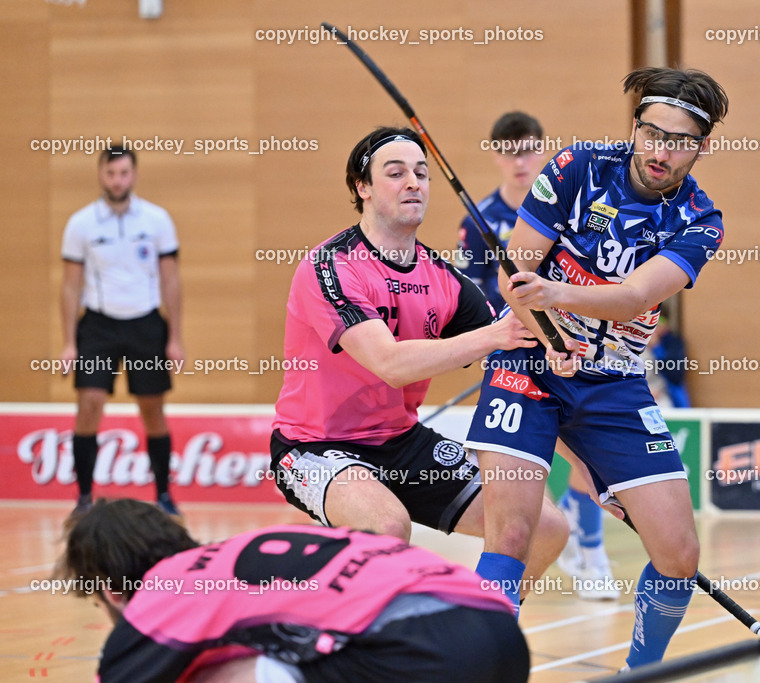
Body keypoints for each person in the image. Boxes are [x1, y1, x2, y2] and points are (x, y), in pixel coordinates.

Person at [463, 66, 728, 669]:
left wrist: (558, 299)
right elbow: (517, 271)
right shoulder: (575, 167)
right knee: (510, 535)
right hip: (529, 363)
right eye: (653, 133)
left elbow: (637, 296)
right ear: (635, 127)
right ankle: (474, 667)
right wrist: (544, 330)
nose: (661, 151)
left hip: (615, 382)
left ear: (702, 146)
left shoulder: (700, 221)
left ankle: (639, 671)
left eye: (680, 141)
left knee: (679, 552)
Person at [269, 127, 568, 612]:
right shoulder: (331, 266)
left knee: (546, 528)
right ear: (362, 188)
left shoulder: (442, 277)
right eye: (396, 172)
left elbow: (521, 352)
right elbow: (389, 363)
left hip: (401, 442)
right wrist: (494, 335)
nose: (414, 182)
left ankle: (475, 630)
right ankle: (348, 642)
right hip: (315, 446)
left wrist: (598, 470)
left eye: (421, 173)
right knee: (387, 526)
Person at [57, 498, 529, 682]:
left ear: (113, 592)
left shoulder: (164, 592)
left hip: (421, 653)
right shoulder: (244, 548)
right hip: (501, 632)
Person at [456, 111, 617, 600]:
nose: (519, 161)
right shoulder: (479, 221)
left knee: (591, 460)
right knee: (551, 475)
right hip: (517, 354)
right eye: (508, 151)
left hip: (573, 349)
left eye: (528, 150)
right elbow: (471, 297)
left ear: (543, 150)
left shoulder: (568, 208)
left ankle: (589, 548)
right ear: (495, 155)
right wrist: (494, 337)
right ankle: (578, 549)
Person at [60, 145, 184, 520]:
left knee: (152, 410)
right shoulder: (81, 223)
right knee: (90, 405)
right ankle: (83, 498)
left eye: (124, 173)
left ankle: (163, 494)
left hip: (146, 324)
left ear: (134, 174)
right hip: (98, 325)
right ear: (101, 175)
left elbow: (171, 279)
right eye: (111, 173)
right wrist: (68, 343)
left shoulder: (157, 220)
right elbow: (69, 286)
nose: (118, 180)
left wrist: (175, 337)